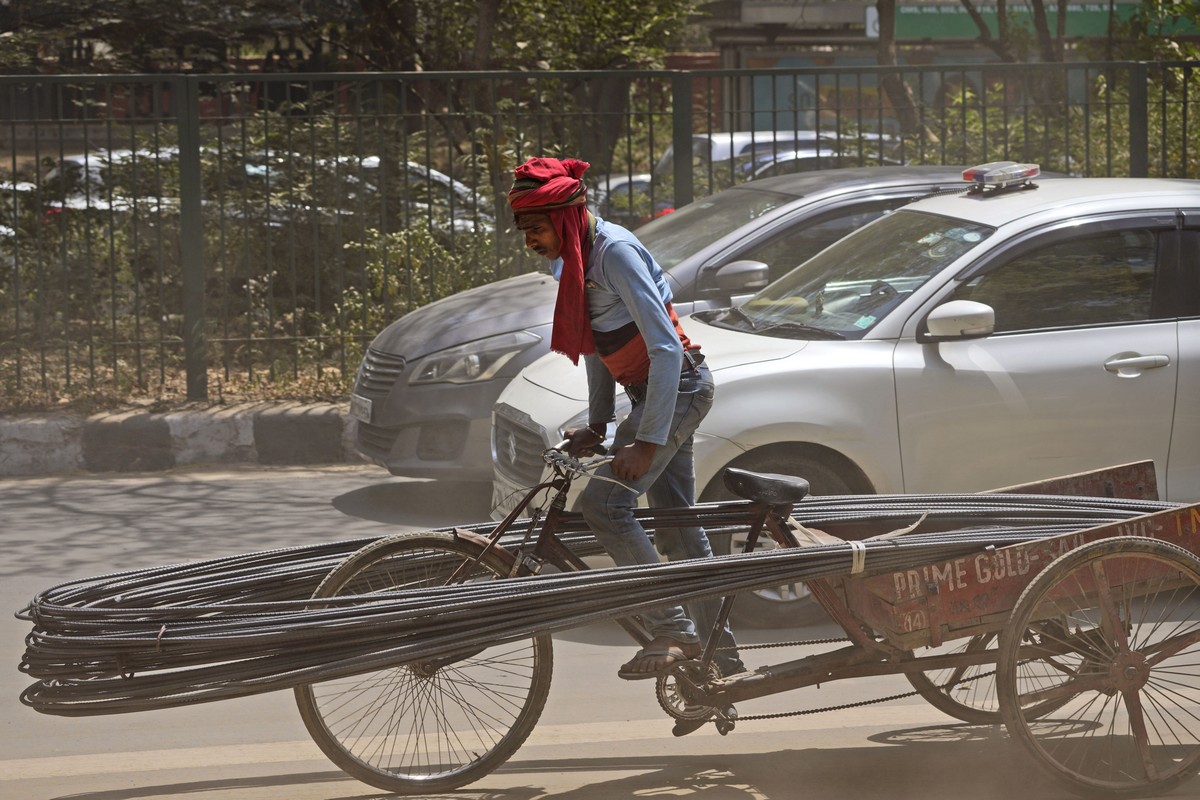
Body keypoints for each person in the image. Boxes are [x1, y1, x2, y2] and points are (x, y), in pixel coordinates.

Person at [507, 156, 744, 686]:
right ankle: (720, 659)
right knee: (679, 528)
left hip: (676, 389)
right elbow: (595, 344)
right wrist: (597, 423)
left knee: (606, 504)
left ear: (566, 218)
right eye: (524, 230)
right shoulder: (570, 258)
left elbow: (663, 350)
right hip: (651, 397)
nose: (530, 241)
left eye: (537, 228)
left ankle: (673, 628)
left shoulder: (615, 254)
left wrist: (645, 442)